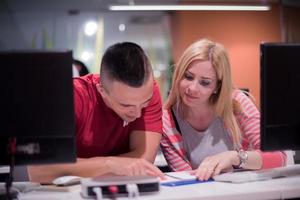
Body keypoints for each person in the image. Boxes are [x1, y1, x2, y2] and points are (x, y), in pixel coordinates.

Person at [28, 42, 165, 183]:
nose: (137, 113)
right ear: (101, 91)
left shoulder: (148, 92)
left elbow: (144, 160)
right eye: (125, 105)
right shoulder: (70, 96)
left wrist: (77, 167)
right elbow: (39, 170)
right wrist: (109, 164)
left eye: (145, 103)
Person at [160, 38, 287, 181]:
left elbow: (279, 156)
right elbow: (188, 179)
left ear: (217, 87)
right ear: (178, 75)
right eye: (188, 77)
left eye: (205, 82)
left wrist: (234, 157)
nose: (192, 88)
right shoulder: (166, 121)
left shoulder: (237, 103)